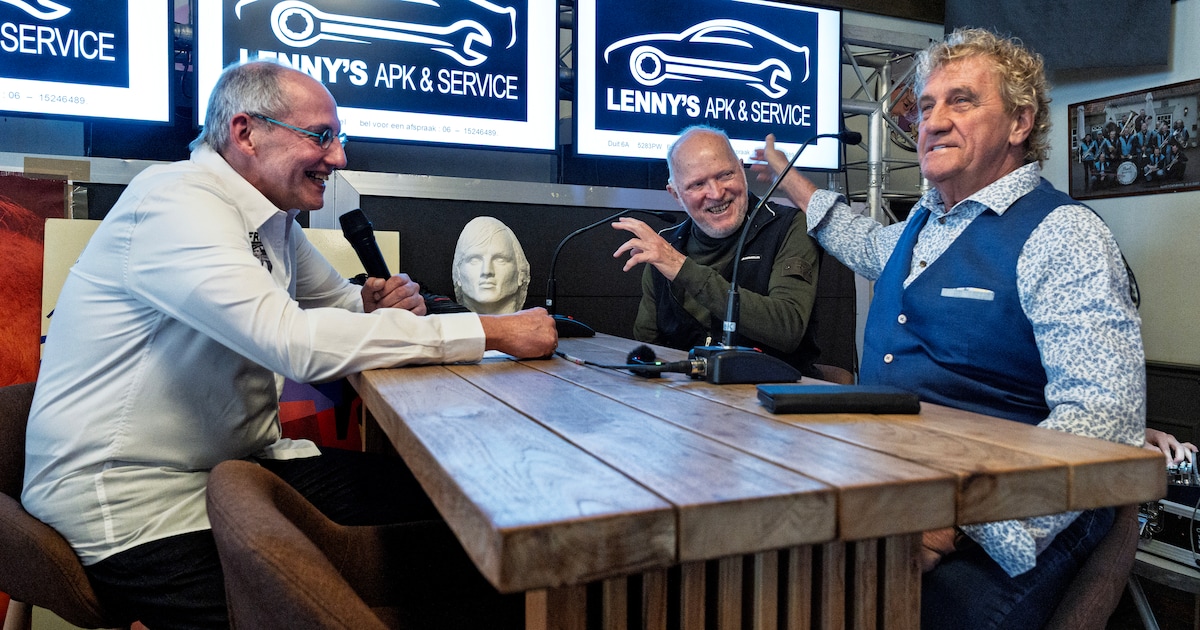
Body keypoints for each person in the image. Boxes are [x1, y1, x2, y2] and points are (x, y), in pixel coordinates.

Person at [21, 59, 556, 629]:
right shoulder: (176, 201)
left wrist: (376, 304)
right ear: (245, 132)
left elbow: (344, 306)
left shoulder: (272, 219)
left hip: (233, 469)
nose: (339, 157)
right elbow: (294, 343)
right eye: (322, 137)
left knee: (456, 516)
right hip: (136, 507)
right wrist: (492, 330)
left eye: (339, 138)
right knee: (434, 581)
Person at [751, 28, 1144, 629]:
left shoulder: (1064, 235)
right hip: (898, 487)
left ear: (1020, 122)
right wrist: (788, 180)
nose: (932, 121)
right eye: (927, 105)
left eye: (960, 100)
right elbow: (861, 241)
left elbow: (1102, 424)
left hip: (1015, 514)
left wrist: (959, 518)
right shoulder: (923, 224)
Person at [610, 125, 823, 378]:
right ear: (675, 194)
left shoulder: (790, 226)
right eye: (698, 184)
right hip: (687, 403)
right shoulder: (666, 247)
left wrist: (682, 268)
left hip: (775, 398)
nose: (716, 193)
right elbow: (649, 349)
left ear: (742, 171)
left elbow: (787, 329)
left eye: (725, 175)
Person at [452, 216, 531, 314]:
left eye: (500, 260)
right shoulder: (441, 328)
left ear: (520, 273)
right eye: (474, 260)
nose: (486, 271)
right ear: (458, 273)